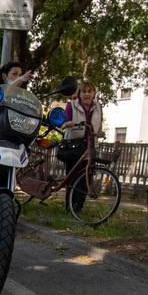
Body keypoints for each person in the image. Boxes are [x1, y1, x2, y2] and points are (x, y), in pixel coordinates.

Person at [59, 80, 104, 211]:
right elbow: (63, 123)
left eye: (89, 91)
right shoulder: (71, 106)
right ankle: (69, 207)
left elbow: (99, 125)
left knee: (85, 177)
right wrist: (67, 123)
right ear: (79, 93)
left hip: (90, 146)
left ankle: (79, 208)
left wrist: (100, 132)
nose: (86, 94)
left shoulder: (98, 107)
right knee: (72, 177)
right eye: (84, 91)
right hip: (74, 145)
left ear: (94, 93)